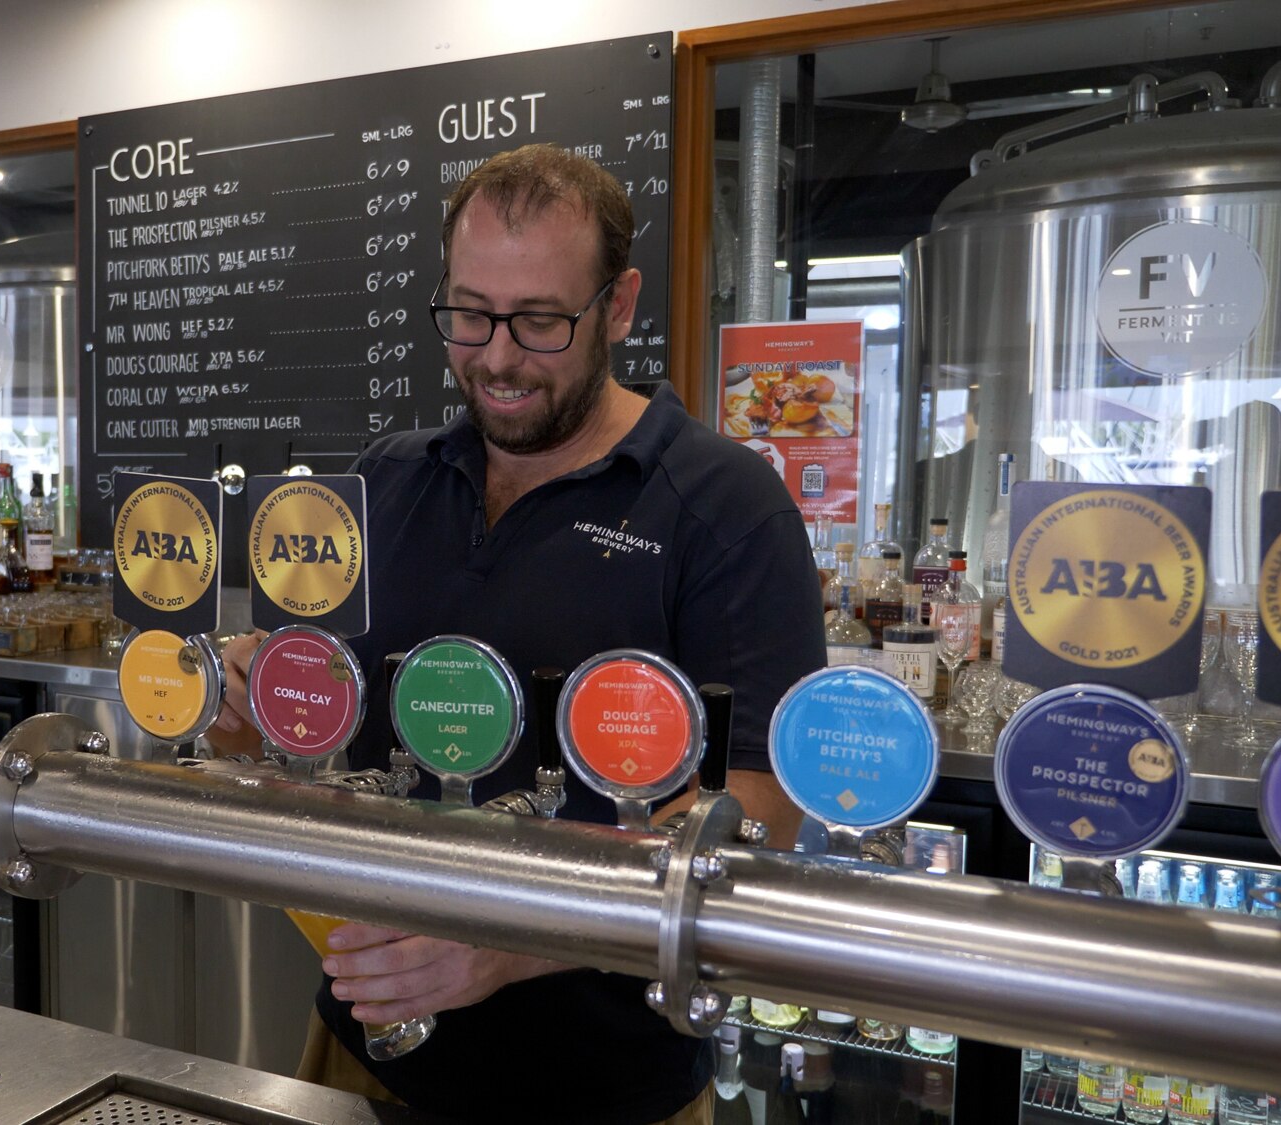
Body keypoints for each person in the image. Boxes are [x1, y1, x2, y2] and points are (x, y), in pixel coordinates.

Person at [212, 143, 824, 1124]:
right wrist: (247, 699)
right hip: (362, 1054)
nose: (496, 357)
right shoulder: (382, 480)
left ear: (618, 307)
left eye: (540, 320)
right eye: (469, 313)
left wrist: (504, 942)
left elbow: (760, 811)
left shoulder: (724, 508)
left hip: (607, 1094)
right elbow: (297, 733)